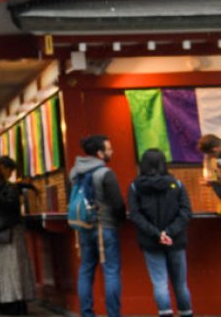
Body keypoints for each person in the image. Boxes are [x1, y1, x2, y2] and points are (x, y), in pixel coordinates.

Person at [127, 148, 194, 317]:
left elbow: (135, 214)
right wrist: (169, 232)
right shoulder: (177, 184)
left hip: (151, 242)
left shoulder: (135, 187)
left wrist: (157, 234)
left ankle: (165, 313)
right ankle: (186, 313)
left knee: (160, 284)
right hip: (176, 241)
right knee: (181, 284)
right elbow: (186, 211)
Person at [70, 135, 125, 317]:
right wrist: (120, 221)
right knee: (110, 271)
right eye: (109, 149)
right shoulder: (105, 174)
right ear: (99, 153)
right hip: (105, 227)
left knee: (86, 270)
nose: (112, 151)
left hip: (83, 227)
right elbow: (118, 204)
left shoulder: (75, 173)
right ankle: (113, 314)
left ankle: (86, 313)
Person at [0, 161, 34, 315]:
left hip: (10, 232)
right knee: (1, 269)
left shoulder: (9, 187)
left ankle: (17, 301)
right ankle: (4, 300)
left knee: (14, 268)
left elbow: (12, 206)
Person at [199, 133, 221, 207]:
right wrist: (209, 179)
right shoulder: (209, 157)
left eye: (211, 154)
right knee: (214, 183)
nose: (210, 156)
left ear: (216, 149)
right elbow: (209, 173)